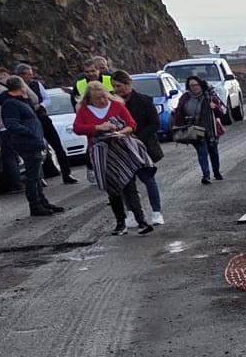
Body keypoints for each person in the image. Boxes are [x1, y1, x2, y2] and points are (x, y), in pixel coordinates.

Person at [71, 84, 154, 235]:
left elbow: (132, 125)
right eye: (98, 99)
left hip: (122, 150)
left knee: (129, 185)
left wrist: (121, 132)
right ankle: (121, 223)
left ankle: (141, 221)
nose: (103, 101)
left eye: (104, 97)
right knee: (113, 188)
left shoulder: (117, 105)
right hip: (101, 153)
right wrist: (98, 127)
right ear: (89, 99)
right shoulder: (84, 110)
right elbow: (77, 128)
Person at [0, 77, 65, 217]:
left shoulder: (20, 101)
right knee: (33, 176)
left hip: (33, 141)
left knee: (38, 174)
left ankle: (42, 201)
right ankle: (35, 205)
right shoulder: (10, 103)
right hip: (27, 142)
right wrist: (31, 133)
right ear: (21, 86)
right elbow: (12, 124)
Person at [112, 70, 165, 225]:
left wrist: (137, 139)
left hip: (142, 147)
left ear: (128, 84)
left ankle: (156, 212)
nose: (116, 89)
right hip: (121, 148)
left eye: (119, 86)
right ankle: (132, 213)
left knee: (148, 179)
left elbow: (155, 123)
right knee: (125, 182)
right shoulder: (112, 103)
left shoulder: (145, 100)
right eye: (114, 86)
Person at [14, 62, 77, 184]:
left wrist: (41, 105)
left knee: (58, 146)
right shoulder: (16, 88)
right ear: (21, 76)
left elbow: (47, 99)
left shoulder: (36, 84)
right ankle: (39, 177)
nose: (31, 77)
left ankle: (67, 174)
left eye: (31, 74)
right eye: (29, 74)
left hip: (42, 117)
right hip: (29, 122)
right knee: (35, 150)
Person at [177, 75, 227, 183]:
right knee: (202, 151)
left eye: (196, 85)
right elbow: (178, 112)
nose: (194, 87)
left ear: (200, 84)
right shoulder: (185, 98)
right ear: (188, 87)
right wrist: (181, 126)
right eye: (191, 86)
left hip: (211, 129)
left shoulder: (209, 96)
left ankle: (216, 172)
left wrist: (215, 107)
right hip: (194, 129)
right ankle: (206, 175)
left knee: (213, 152)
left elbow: (221, 113)